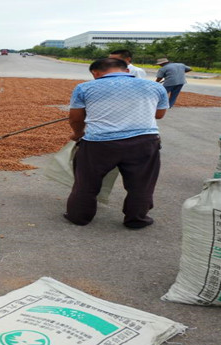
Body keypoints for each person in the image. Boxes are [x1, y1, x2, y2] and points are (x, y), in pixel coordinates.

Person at [64, 58, 169, 229]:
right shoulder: (155, 87)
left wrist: (77, 134)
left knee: (86, 182)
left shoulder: (84, 88)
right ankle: (136, 220)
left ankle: (79, 217)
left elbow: (76, 118)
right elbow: (159, 115)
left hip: (98, 144)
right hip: (143, 142)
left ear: (95, 73)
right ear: (127, 71)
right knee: (141, 184)